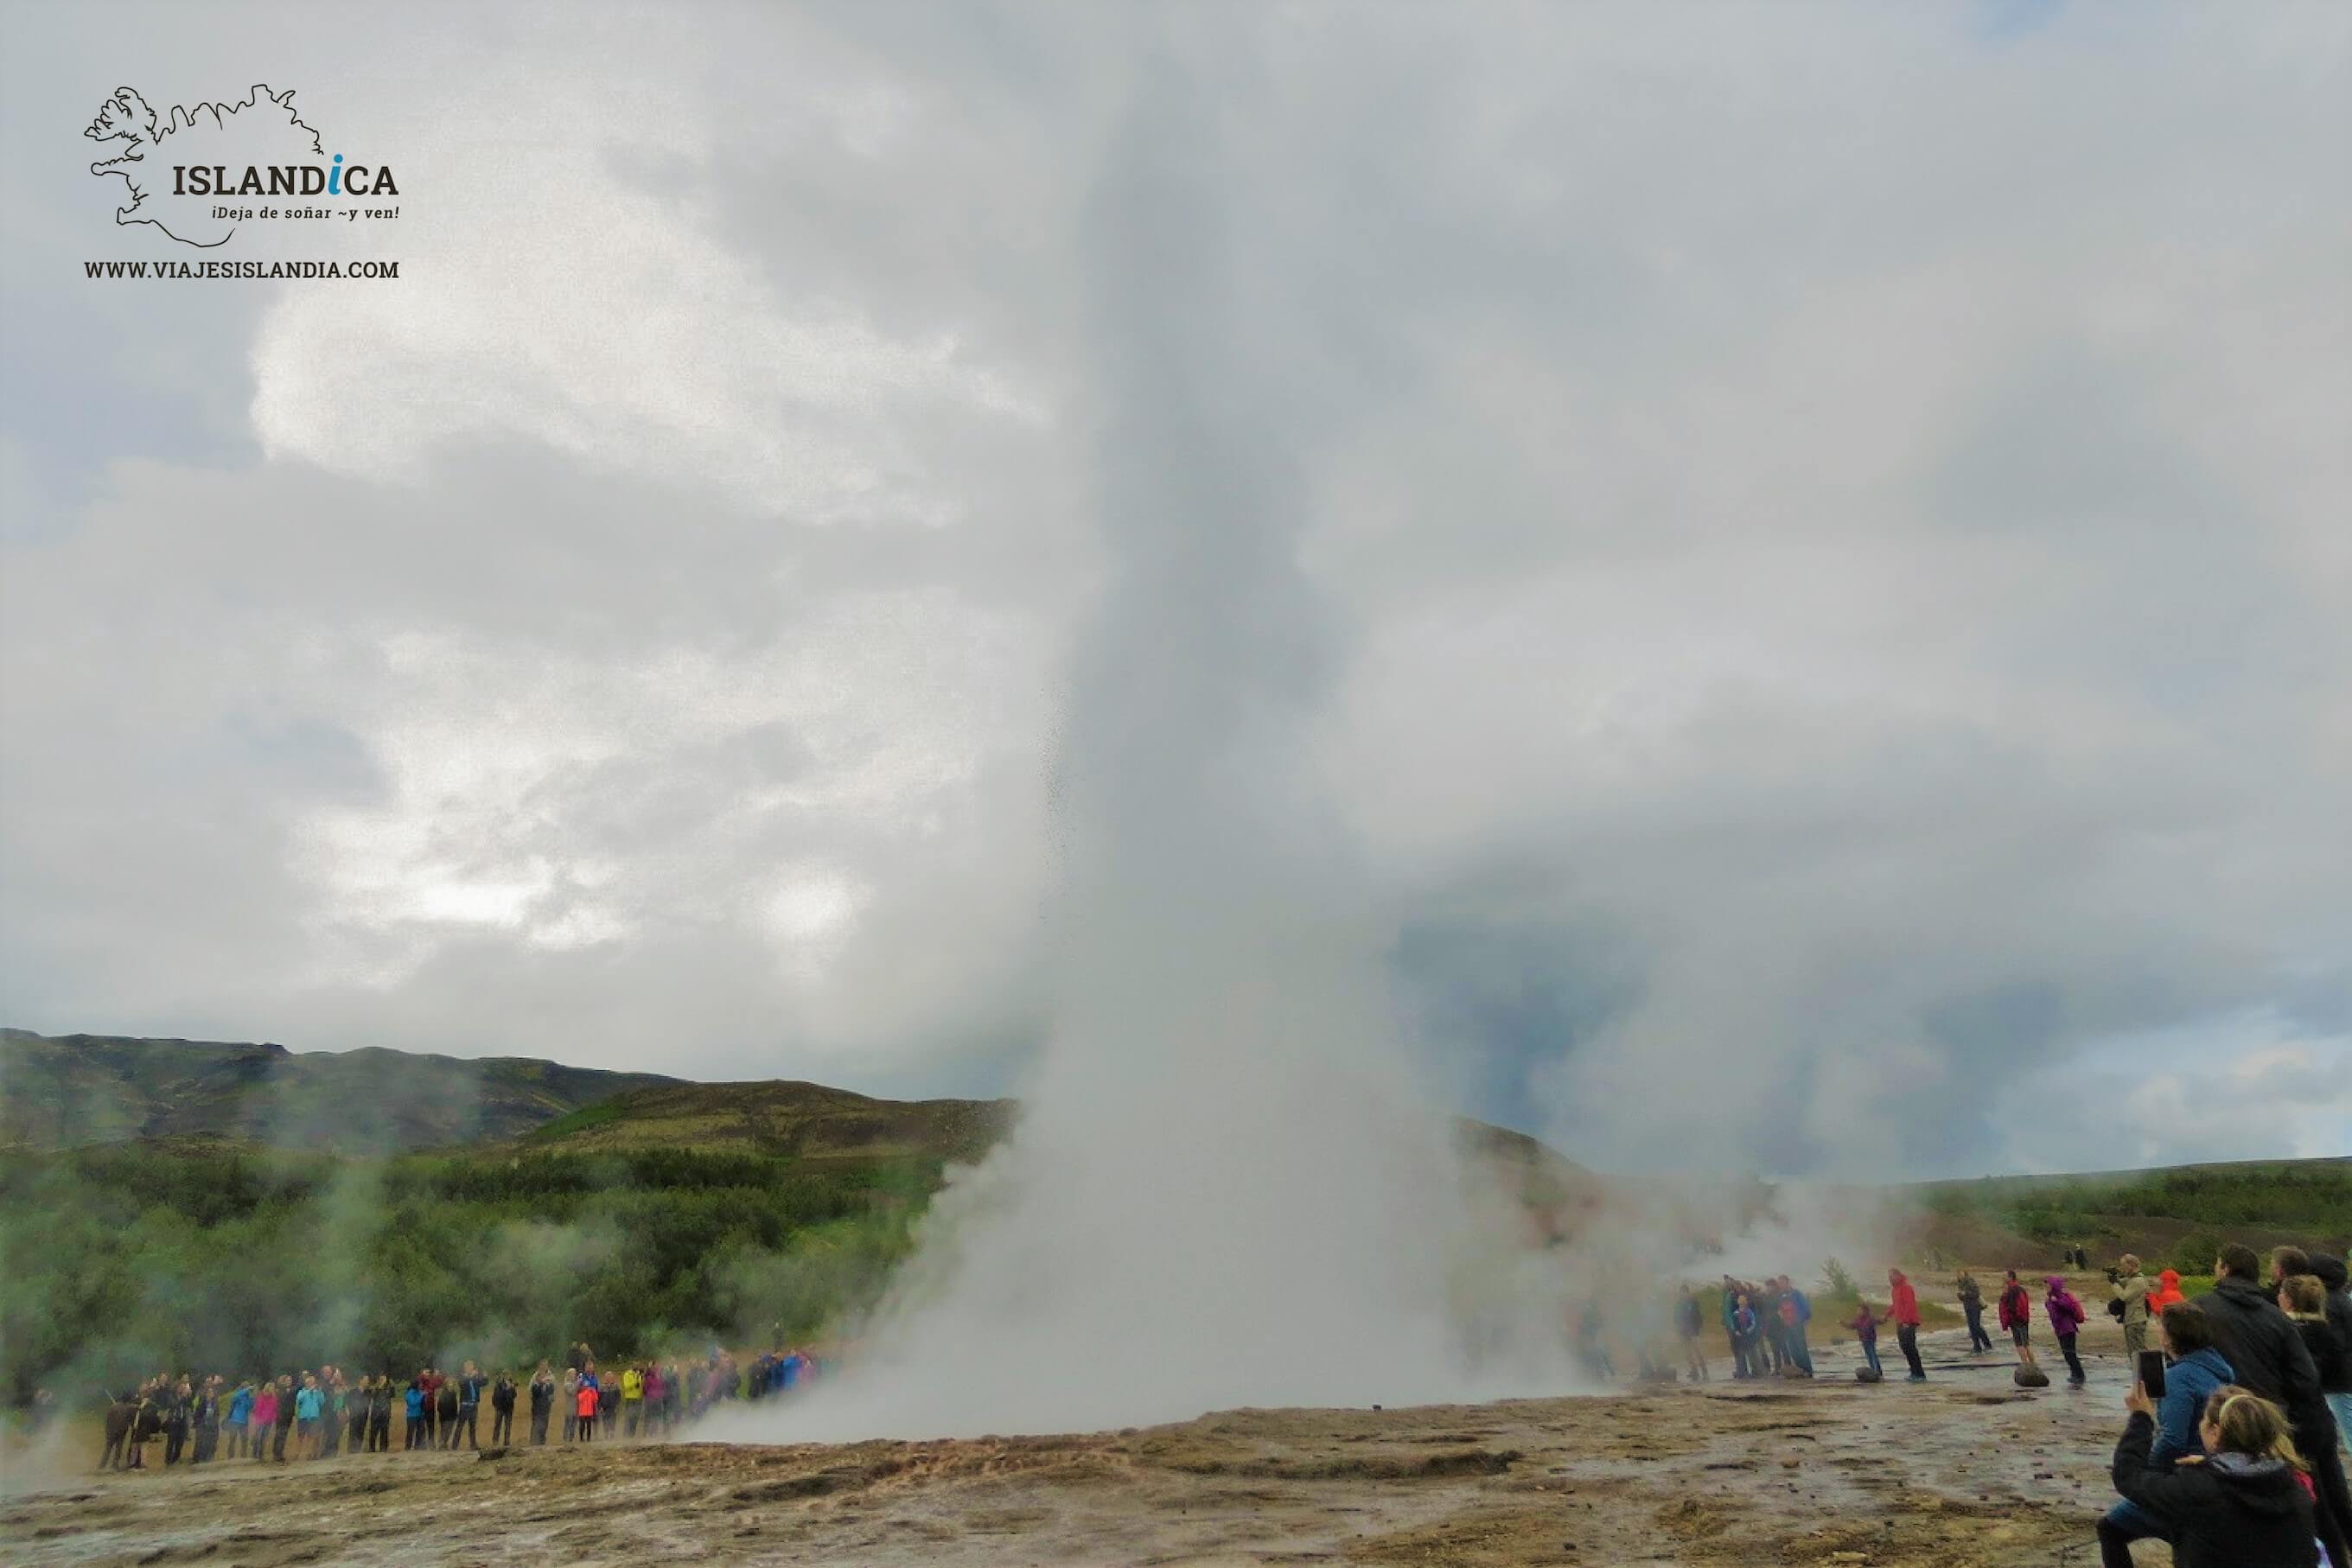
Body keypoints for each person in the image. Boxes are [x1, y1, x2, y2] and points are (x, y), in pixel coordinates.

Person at [2199, 1243, 2352, 1568]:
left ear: (2224, 1268)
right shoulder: (2276, 1316)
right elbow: (2306, 1376)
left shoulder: (2203, 1310)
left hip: (2242, 1420)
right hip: (2294, 1418)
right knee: (2318, 1496)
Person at [2107, 1383, 2318, 1568]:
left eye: (2203, 1419)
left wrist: (2141, 1417)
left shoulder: (2197, 1490)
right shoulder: (2296, 1490)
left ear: (2215, 1433)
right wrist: (2210, 1466)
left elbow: (2129, 1477)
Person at [2097, 1300, 2237, 1565]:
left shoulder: (2179, 1377)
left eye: (2161, 1328)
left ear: (2171, 1338)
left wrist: (2145, 1474)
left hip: (2186, 1477)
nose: (2158, 1332)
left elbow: (2173, 1438)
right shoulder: (2220, 1366)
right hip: (2214, 1470)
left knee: (2110, 1529)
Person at [2311, 1254, 2352, 1457]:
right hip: (2342, 1378)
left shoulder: (2328, 1304)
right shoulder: (2341, 1298)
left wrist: (2315, 1369)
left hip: (2337, 1381)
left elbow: (2334, 1346)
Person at [2049, 1275, 2090, 1386]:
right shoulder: (2050, 1298)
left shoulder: (2062, 1297)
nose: (2046, 1286)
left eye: (2048, 1284)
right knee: (2067, 1354)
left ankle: (2080, 1375)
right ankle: (2074, 1374)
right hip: (2060, 1330)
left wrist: (2057, 1301)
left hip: (2068, 1329)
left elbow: (2069, 1307)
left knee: (2070, 1353)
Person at [1888, 1269, 1925, 1380]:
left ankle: (1919, 1373)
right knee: (1904, 1347)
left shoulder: (1906, 1288)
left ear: (1899, 1276)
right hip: (1899, 1322)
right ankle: (1913, 1371)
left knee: (1910, 1347)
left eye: (1892, 1276)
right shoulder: (1895, 1290)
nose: (1890, 1279)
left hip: (1908, 1323)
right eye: (1889, 1277)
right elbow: (1895, 1305)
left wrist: (1906, 1321)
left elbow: (1910, 1305)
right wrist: (1886, 1315)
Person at [2115, 1254, 2152, 1361]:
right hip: (2132, 1319)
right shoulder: (2134, 1279)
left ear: (2131, 1265)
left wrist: (2114, 1284)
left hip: (2136, 1320)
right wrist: (2115, 1279)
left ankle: (2146, 1374)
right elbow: (2124, 1282)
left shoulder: (2138, 1281)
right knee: (2134, 1352)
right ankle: (2139, 1374)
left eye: (2123, 1265)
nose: (2122, 1268)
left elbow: (2125, 1297)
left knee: (2138, 1351)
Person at [2000, 1270, 2037, 1371]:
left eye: (2005, 1276)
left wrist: (2008, 1321)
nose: (2003, 1278)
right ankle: (2033, 1365)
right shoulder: (2021, 1289)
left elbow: (2010, 1307)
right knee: (2026, 1343)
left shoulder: (2012, 1290)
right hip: (2024, 1319)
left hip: (2016, 1320)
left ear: (2011, 1277)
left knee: (2019, 1344)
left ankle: (2025, 1365)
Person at [1779, 1275, 1815, 1376]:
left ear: (1787, 1282)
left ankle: (1807, 1369)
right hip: (1787, 1325)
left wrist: (1800, 1319)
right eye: (1779, 1283)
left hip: (1797, 1324)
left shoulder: (1796, 1294)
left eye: (1782, 1282)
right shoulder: (1781, 1296)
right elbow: (1780, 1309)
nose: (1780, 1285)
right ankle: (1799, 1369)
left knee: (1801, 1347)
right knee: (1793, 1349)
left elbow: (1806, 1308)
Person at [1676, 1284, 1709, 1381]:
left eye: (1684, 1292)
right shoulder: (1679, 1303)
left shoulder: (1693, 1302)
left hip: (1693, 1331)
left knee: (1698, 1352)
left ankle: (1705, 1371)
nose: (1683, 1294)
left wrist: (1698, 1328)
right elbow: (1676, 1317)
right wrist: (1678, 1327)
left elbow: (1698, 1316)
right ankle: (1694, 1371)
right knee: (1687, 1353)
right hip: (1683, 1331)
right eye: (1681, 1292)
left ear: (1687, 1292)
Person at [1957, 1272, 1993, 1354]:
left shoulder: (1970, 1282)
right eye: (1958, 1275)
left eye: (1960, 1274)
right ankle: (1977, 1346)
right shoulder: (1960, 1284)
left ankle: (1987, 1344)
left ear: (1965, 1274)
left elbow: (1976, 1294)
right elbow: (1963, 1298)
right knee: (1971, 1327)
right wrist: (1960, 1295)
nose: (1959, 1276)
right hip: (1967, 1307)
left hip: (1975, 1307)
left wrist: (1966, 1293)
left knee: (1976, 1326)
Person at [1849, 1299, 1884, 1378]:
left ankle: (1877, 1371)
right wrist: (1843, 1324)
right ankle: (1874, 1371)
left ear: (1865, 1311)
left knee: (1873, 1356)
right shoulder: (1858, 1320)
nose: (1858, 1312)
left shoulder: (1870, 1318)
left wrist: (1883, 1320)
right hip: (1864, 1340)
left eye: (1860, 1310)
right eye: (1858, 1310)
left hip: (1870, 1340)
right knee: (1869, 1356)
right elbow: (1852, 1326)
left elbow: (1877, 1321)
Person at [294, 1374, 323, 1461]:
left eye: (313, 1382)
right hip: (303, 1417)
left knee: (312, 1437)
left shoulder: (317, 1393)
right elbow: (299, 1399)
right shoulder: (302, 1392)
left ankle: (310, 1454)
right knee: (301, 1437)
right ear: (307, 1383)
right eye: (310, 1382)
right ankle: (297, 1454)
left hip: (314, 1417)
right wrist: (309, 1391)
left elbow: (322, 1402)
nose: (312, 1384)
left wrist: (319, 1392)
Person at [455, 1361, 483, 1450]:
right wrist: (471, 1376)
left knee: (472, 1426)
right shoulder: (462, 1377)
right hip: (465, 1405)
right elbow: (462, 1384)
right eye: (470, 1367)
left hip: (474, 1405)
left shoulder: (474, 1378)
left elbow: (482, 1383)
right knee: (460, 1426)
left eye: (473, 1366)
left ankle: (473, 1445)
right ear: (466, 1368)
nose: (472, 1368)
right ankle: (454, 1445)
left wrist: (484, 1376)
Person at [250, 1380, 278, 1463]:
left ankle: (261, 1455)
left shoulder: (274, 1398)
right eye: (271, 1387)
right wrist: (258, 1420)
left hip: (269, 1420)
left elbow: (275, 1409)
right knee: (258, 1438)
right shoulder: (261, 1396)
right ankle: (255, 1454)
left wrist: (273, 1417)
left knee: (264, 1438)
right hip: (261, 1420)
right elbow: (258, 1409)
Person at [224, 1380, 253, 1460]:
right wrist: (245, 1390)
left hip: (244, 1421)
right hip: (234, 1420)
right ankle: (230, 1456)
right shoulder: (238, 1394)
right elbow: (235, 1398)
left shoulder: (248, 1397)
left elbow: (251, 1407)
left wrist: (251, 1397)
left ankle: (243, 1456)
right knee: (232, 1439)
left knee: (244, 1439)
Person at [530, 1363, 555, 1445]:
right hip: (537, 1408)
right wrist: (541, 1384)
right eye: (541, 1377)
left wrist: (551, 1398)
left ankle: (542, 1440)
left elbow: (552, 1393)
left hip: (546, 1407)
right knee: (536, 1424)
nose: (543, 1379)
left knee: (545, 1424)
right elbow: (534, 1394)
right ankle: (534, 1441)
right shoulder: (535, 1385)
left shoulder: (549, 1383)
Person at [491, 1371, 517, 1447]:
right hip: (500, 1407)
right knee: (498, 1425)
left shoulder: (510, 1383)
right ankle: (495, 1441)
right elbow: (498, 1396)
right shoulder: (499, 1384)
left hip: (509, 1407)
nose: (508, 1376)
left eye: (509, 1375)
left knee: (508, 1425)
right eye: (506, 1375)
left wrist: (512, 1388)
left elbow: (514, 1395)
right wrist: (506, 1389)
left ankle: (507, 1442)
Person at [436, 1371, 461, 1448]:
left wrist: (456, 1414)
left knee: (449, 1431)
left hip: (452, 1416)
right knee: (444, 1431)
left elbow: (455, 1404)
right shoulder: (443, 1393)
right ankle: (441, 1444)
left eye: (452, 1383)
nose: (451, 1384)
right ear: (446, 1384)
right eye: (449, 1383)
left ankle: (445, 1444)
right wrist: (443, 1413)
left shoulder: (454, 1393)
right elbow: (439, 1405)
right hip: (444, 1416)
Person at [621, 1362, 645, 1437]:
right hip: (630, 1398)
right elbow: (627, 1387)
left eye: (638, 1366)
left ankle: (632, 1434)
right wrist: (636, 1380)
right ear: (632, 1367)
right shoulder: (627, 1374)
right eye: (636, 1366)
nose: (637, 1368)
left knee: (636, 1418)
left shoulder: (639, 1375)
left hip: (638, 1399)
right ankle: (626, 1434)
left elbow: (640, 1387)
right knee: (629, 1417)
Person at [575, 1369, 600, 1442]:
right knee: (582, 1426)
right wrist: (586, 1391)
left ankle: (589, 1438)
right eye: (585, 1386)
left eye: (587, 1386)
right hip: (582, 1412)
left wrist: (593, 1392)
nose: (586, 1387)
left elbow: (595, 1399)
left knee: (589, 1426)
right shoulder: (581, 1393)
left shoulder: (591, 1392)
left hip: (589, 1411)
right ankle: (581, 1438)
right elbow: (580, 1399)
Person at [403, 1379, 427, 1450]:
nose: (421, 1385)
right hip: (411, 1415)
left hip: (420, 1414)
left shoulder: (419, 1392)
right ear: (416, 1385)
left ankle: (418, 1446)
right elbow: (413, 1403)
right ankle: (408, 1447)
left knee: (420, 1431)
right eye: (419, 1384)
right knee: (410, 1432)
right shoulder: (409, 1393)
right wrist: (422, 1396)